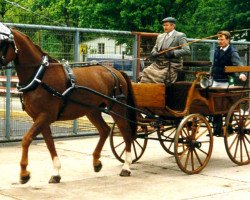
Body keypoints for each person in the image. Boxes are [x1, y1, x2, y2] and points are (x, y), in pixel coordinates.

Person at [210, 30, 247, 136]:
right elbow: (214, 65)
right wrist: (210, 74)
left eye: (221, 39)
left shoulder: (232, 52)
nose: (219, 41)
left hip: (226, 81)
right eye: (218, 39)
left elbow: (238, 64)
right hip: (215, 80)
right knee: (215, 105)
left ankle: (228, 128)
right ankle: (216, 129)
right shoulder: (217, 50)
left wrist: (242, 73)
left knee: (226, 106)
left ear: (228, 40)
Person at [140, 17, 190, 84]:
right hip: (159, 64)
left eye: (167, 25)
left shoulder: (180, 36)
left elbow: (186, 50)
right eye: (163, 25)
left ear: (173, 26)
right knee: (146, 71)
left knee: (160, 76)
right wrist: (154, 53)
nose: (164, 27)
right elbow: (155, 48)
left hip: (172, 64)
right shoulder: (160, 36)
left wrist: (173, 53)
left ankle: (159, 91)